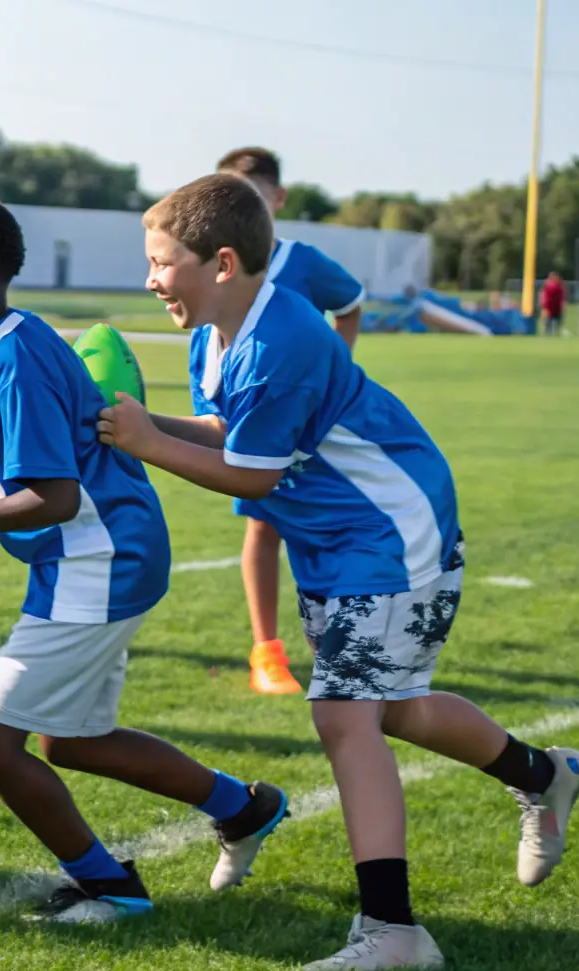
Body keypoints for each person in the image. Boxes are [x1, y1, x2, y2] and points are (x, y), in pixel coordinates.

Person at [98, 173, 579, 971]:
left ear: (221, 263)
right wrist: (135, 416)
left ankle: (393, 933)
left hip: (391, 535)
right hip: (337, 539)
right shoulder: (214, 332)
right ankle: (542, 774)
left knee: (343, 717)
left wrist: (144, 441)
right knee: (389, 710)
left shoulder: (279, 339)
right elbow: (228, 428)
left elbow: (251, 476)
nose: (150, 280)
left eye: (160, 263)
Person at [0, 193, 290, 923]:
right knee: (71, 742)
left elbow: (50, 495)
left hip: (96, 558)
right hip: (93, 555)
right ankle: (242, 808)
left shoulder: (16, 353)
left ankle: (108, 887)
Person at [215, 147, 365, 696]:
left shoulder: (301, 261)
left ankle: (333, 644)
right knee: (264, 525)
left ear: (277, 199)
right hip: (258, 423)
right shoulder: (216, 269)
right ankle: (266, 651)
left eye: (254, 196)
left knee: (319, 520)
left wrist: (336, 364)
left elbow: (350, 303)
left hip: (314, 428)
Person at [541, 271, 566, 336]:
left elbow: (562, 297)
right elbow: (544, 296)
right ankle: (547, 333)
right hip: (549, 306)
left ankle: (554, 333)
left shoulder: (559, 285)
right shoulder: (549, 285)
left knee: (556, 321)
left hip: (557, 307)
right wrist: (544, 305)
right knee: (548, 321)